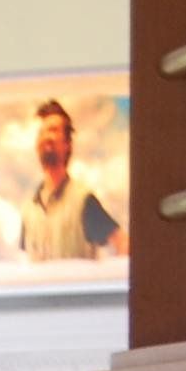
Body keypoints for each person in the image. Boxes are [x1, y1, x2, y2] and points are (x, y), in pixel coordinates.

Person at [18, 99, 125, 262]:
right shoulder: (29, 210)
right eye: (41, 132)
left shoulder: (83, 201)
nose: (46, 136)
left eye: (53, 130)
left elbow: (123, 243)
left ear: (67, 143)